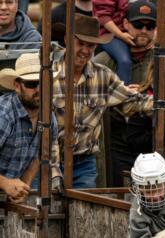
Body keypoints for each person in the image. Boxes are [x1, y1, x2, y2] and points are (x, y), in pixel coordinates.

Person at [53, 14, 154, 189]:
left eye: (90, 45)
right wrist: (52, 169)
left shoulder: (103, 76)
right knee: (46, 210)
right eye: (81, 43)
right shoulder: (48, 73)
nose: (85, 50)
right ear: (67, 40)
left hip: (83, 161)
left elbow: (133, 102)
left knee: (83, 213)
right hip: (48, 159)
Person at [94, 0, 156, 186]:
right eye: (138, 25)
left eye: (150, 25)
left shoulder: (164, 61)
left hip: (151, 139)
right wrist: (118, 96)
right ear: (126, 24)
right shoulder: (104, 60)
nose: (143, 30)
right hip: (115, 139)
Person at [0, 52, 61, 202]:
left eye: (43, 82)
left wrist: (24, 186)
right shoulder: (4, 115)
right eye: (32, 84)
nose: (39, 89)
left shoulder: (48, 116)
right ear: (17, 86)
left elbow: (38, 154)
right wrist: (5, 183)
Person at [93, 0, 136, 85]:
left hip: (129, 32)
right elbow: (103, 17)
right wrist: (120, 34)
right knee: (125, 61)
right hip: (110, 35)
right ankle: (124, 94)